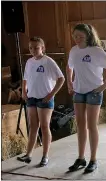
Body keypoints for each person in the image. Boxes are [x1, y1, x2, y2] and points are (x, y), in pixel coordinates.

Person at [66, 24, 106, 173]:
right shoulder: (74, 51)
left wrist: (104, 86)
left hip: (94, 91)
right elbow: (69, 67)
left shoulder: (96, 51)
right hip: (78, 91)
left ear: (88, 36)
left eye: (80, 36)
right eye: (75, 36)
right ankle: (81, 157)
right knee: (80, 126)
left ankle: (93, 159)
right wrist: (70, 82)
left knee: (91, 125)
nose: (77, 39)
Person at [17, 37, 65, 166]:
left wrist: (51, 94)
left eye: (36, 48)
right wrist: (24, 91)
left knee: (44, 126)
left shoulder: (48, 61)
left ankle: (45, 156)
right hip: (32, 97)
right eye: (31, 48)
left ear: (42, 48)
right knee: (33, 126)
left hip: (44, 98)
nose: (33, 50)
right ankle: (28, 154)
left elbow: (61, 79)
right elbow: (25, 78)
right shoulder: (29, 62)